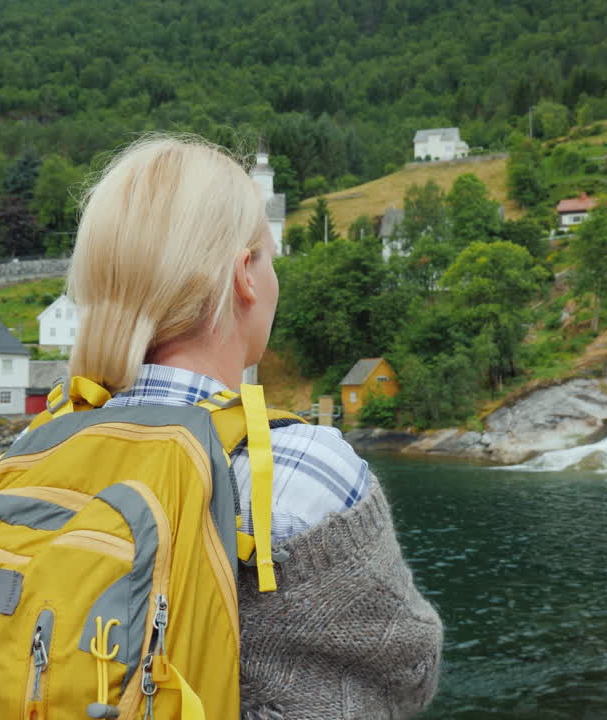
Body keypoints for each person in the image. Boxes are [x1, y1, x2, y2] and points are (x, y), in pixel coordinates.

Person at [66, 135, 443, 719]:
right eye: (268, 257)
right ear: (244, 274)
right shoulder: (304, 468)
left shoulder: (32, 449)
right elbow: (411, 670)